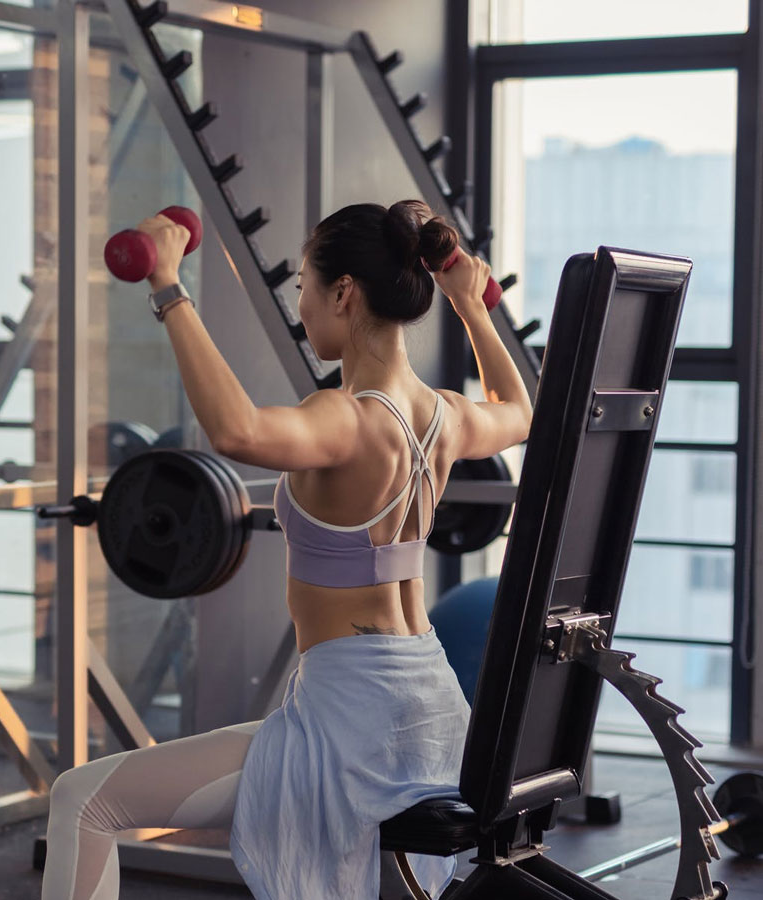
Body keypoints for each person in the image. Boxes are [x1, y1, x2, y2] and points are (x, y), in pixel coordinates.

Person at [40, 200, 533, 900]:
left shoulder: (347, 418)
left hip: (349, 719)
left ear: (343, 291)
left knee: (84, 801)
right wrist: (471, 308)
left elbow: (237, 431)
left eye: (303, 284)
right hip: (431, 711)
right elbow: (521, 413)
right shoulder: (444, 414)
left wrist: (168, 284)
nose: (301, 304)